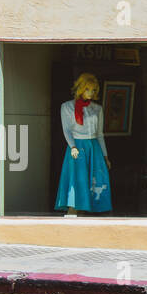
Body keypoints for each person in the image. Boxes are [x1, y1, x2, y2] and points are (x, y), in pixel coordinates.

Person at [55, 73, 113, 216]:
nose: (91, 93)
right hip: (77, 146)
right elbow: (66, 130)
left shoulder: (97, 109)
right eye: (88, 89)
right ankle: (73, 210)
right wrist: (72, 146)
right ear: (80, 89)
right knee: (78, 178)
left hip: (94, 148)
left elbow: (99, 134)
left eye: (94, 90)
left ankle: (90, 211)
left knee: (96, 180)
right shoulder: (67, 107)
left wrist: (105, 156)